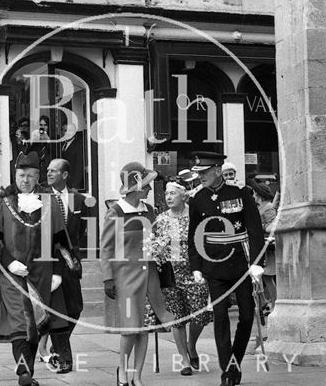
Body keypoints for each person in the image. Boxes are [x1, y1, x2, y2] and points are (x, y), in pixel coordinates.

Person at [0, 151, 73, 386]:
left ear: (38, 177)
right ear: (14, 175)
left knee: (38, 323)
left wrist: (58, 271)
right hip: (12, 275)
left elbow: (60, 241)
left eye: (30, 176)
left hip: (42, 274)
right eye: (20, 175)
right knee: (20, 322)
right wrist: (8, 262)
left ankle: (28, 372)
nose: (24, 180)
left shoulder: (49, 203)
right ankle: (24, 373)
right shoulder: (1, 203)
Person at [186, 151, 264, 386]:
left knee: (248, 315)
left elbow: (254, 229)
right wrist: (196, 266)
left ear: (218, 171)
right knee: (220, 317)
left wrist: (257, 264)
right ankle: (227, 371)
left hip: (241, 263)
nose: (200, 176)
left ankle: (235, 363)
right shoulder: (197, 199)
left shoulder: (240, 193)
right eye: (198, 173)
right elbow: (193, 236)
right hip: (214, 265)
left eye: (204, 172)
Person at [100, 162, 173, 386]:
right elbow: (106, 248)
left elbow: (158, 238)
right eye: (147, 186)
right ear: (136, 187)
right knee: (130, 329)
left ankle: (137, 377)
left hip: (150, 277)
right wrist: (108, 278)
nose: (150, 190)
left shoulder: (150, 211)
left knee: (145, 329)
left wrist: (161, 247)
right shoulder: (116, 212)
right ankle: (122, 371)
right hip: (125, 278)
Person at [149, 181, 212, 376]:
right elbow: (153, 244)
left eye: (173, 194)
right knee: (177, 318)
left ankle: (191, 345)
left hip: (194, 270)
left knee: (199, 314)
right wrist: (154, 252)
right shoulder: (160, 220)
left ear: (184, 196)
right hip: (170, 272)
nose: (168, 197)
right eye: (167, 193)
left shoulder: (195, 215)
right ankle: (184, 360)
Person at [36, 158, 88, 374]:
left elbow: (83, 229)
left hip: (70, 262)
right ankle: (63, 358)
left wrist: (77, 254)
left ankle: (49, 340)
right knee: (58, 310)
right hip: (48, 262)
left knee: (75, 308)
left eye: (54, 171)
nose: (49, 174)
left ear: (65, 175)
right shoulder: (41, 198)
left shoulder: (79, 200)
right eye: (47, 170)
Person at [248, 180, 277, 313]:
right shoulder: (260, 207)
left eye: (254, 193)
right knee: (261, 276)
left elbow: (272, 227)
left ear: (259, 194)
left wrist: (259, 227)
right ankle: (264, 300)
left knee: (267, 277)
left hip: (267, 246)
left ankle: (274, 304)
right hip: (260, 245)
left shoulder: (269, 207)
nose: (253, 196)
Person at [60, 122, 86, 190]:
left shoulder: (78, 145)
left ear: (74, 132)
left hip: (73, 184)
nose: (67, 133)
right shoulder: (61, 144)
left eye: (69, 131)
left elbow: (79, 167)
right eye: (65, 130)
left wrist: (75, 186)